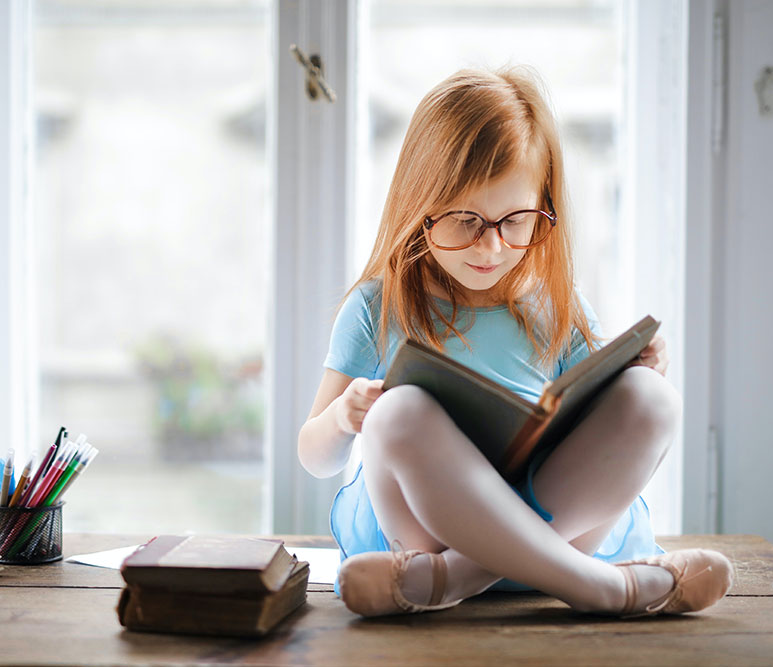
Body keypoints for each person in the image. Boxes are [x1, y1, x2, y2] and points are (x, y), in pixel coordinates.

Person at [297, 67, 733, 618]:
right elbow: (313, 457)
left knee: (652, 397)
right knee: (396, 413)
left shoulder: (556, 302)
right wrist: (343, 417)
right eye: (463, 221)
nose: (492, 246)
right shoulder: (377, 306)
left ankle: (459, 577)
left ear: (542, 208)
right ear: (418, 205)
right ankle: (603, 588)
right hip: (424, 533)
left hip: (541, 530)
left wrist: (641, 369)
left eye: (517, 221)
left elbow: (606, 419)